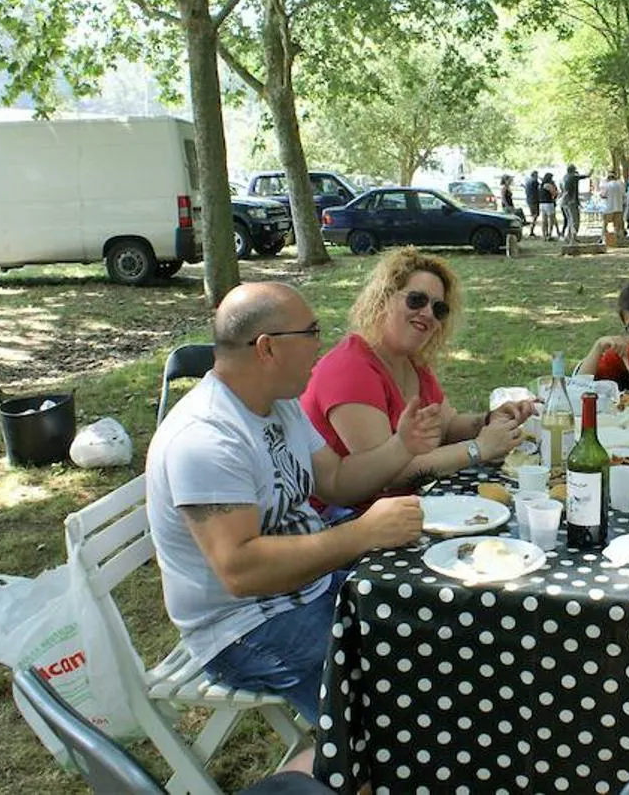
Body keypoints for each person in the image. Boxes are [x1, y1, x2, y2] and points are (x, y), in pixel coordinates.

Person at [146, 282, 439, 721]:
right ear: (267, 349)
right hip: (243, 627)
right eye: (312, 332)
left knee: (431, 611)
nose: (321, 345)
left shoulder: (279, 405)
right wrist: (361, 534)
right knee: (398, 677)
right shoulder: (206, 437)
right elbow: (242, 571)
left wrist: (401, 446)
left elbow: (337, 481)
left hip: (308, 586)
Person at [301, 248, 533, 511]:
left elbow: (448, 426)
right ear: (384, 298)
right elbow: (392, 474)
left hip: (398, 510)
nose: (428, 313)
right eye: (416, 300)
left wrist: (488, 420)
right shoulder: (349, 368)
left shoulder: (412, 361)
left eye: (439, 308)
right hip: (343, 521)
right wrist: (478, 448)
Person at [561, 164, 589, 244]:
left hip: (566, 202)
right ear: (573, 171)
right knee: (575, 220)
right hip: (571, 202)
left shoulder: (565, 177)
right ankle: (572, 237)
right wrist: (589, 174)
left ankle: (570, 237)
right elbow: (582, 176)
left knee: (570, 220)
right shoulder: (572, 177)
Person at [601, 171, 626, 244]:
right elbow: (624, 194)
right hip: (618, 207)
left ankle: (604, 238)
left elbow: (603, 195)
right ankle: (617, 240)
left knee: (605, 224)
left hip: (609, 207)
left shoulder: (607, 185)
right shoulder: (620, 184)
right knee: (617, 225)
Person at [539, 171, 559, 240]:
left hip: (542, 203)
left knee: (544, 220)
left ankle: (544, 235)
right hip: (549, 203)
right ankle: (549, 235)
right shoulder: (548, 185)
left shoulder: (541, 185)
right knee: (551, 219)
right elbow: (555, 193)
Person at [524, 170, 541, 236]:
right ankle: (531, 229)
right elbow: (539, 190)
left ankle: (532, 229)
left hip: (529, 200)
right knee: (535, 215)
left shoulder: (527, 182)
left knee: (533, 215)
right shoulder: (534, 182)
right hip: (535, 200)